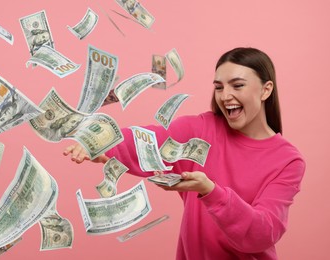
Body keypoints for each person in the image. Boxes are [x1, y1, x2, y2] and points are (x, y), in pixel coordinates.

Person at [63, 47, 306, 259]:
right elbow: (149, 140)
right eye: (219, 87)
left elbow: (261, 234)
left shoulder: (287, 161)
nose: (225, 96)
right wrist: (100, 142)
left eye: (238, 85)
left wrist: (210, 191)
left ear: (266, 90)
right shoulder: (201, 129)